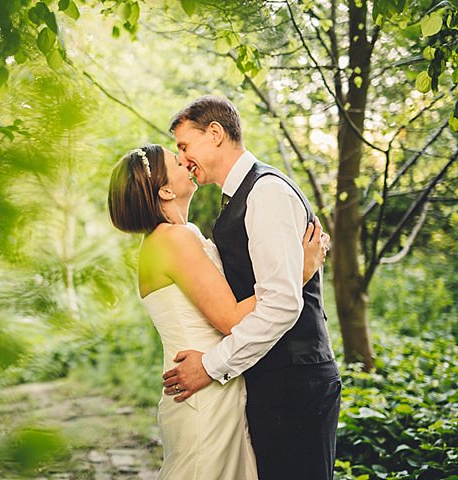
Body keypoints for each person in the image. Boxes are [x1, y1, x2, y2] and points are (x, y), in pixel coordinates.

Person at [108, 143, 328, 479]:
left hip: (218, 382)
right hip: (204, 389)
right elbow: (232, 319)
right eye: (176, 159)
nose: (185, 160)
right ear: (165, 190)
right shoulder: (171, 240)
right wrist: (297, 273)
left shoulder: (179, 236)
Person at [161, 96, 341, 480]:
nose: (183, 158)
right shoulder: (239, 199)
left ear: (215, 133)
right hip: (272, 378)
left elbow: (281, 305)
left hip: (294, 380)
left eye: (184, 146)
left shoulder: (266, 192)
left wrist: (210, 366)